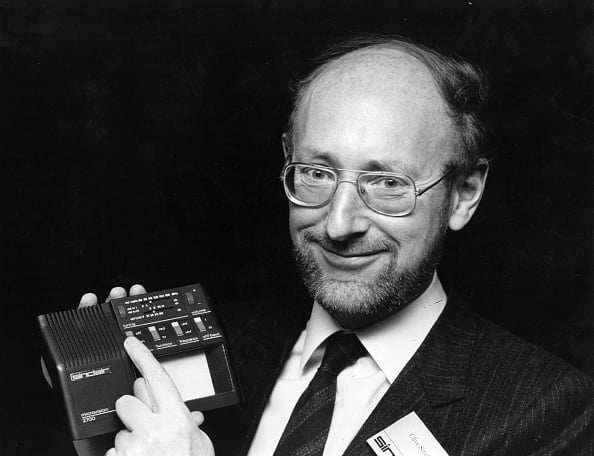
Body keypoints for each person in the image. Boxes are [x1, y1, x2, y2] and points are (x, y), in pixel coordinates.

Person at [79, 37, 593, 455]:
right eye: (317, 173)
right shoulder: (223, 343)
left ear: (464, 194)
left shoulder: (546, 409)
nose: (340, 224)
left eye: (389, 183)